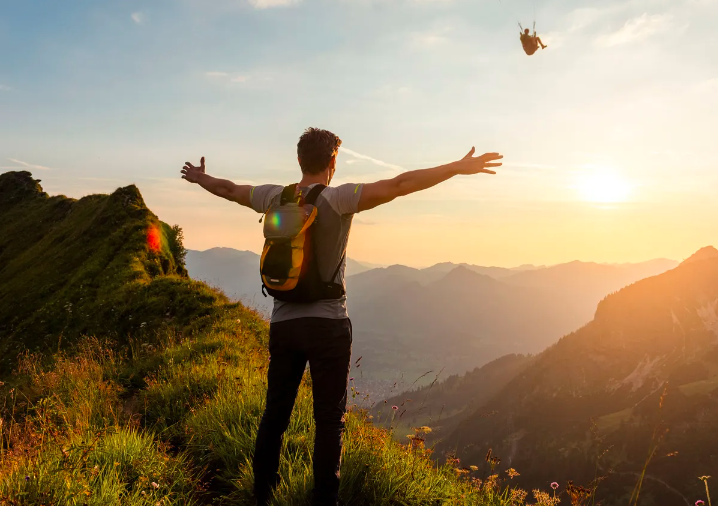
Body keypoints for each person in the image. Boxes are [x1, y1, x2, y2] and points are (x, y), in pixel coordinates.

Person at [180, 128, 503, 505]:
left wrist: (201, 178)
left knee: (275, 417)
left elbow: (231, 190)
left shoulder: (273, 196)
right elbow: (401, 183)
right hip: (329, 324)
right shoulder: (338, 199)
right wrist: (457, 167)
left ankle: (262, 496)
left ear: (299, 160)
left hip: (284, 324)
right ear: (332, 162)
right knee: (329, 423)